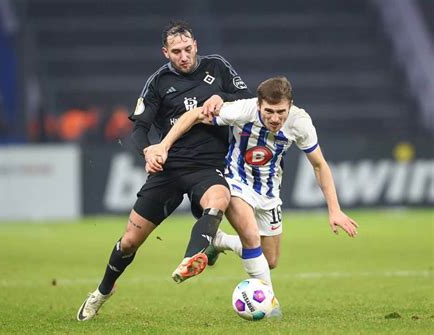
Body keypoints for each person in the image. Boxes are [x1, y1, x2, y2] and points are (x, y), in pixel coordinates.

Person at [76, 20, 253, 321]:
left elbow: (248, 101)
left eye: (187, 49)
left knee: (219, 198)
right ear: (165, 53)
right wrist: (149, 150)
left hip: (206, 166)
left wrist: (221, 97)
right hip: (168, 168)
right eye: (176, 52)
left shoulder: (217, 67)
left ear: (195, 45)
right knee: (130, 241)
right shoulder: (157, 83)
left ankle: (192, 257)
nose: (183, 56)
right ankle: (102, 292)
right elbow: (139, 131)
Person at [145, 76, 359, 311]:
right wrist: (163, 145)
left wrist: (334, 209)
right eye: (269, 111)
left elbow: (319, 165)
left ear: (290, 106)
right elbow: (194, 115)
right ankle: (270, 306)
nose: (275, 118)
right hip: (236, 183)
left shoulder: (300, 122)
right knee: (251, 237)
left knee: (270, 260)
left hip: (269, 193)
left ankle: (219, 241)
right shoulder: (243, 109)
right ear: (259, 105)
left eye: (281, 112)